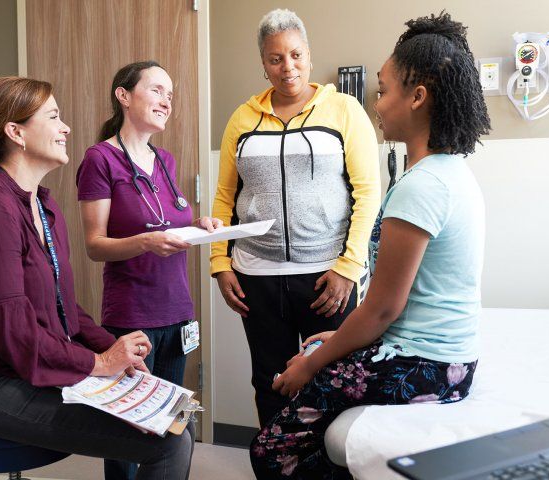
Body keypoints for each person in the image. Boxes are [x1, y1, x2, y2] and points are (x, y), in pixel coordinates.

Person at [250, 11, 491, 479]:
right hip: (444, 358)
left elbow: (382, 309)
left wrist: (315, 362)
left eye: (383, 91)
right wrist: (337, 341)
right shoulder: (451, 173)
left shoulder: (422, 188)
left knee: (269, 450)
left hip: (426, 365)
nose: (377, 105)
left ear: (417, 97)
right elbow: (397, 309)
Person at [0, 76, 193, 480]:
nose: (66, 128)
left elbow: (62, 306)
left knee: (177, 418)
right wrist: (98, 361)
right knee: (169, 441)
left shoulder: (41, 205)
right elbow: (13, 333)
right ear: (16, 132)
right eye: (54, 117)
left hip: (29, 367)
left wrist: (111, 349)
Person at [210, 9, 382, 427]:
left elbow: (368, 192)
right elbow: (225, 197)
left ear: (308, 54)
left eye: (296, 55)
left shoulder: (343, 110)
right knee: (270, 382)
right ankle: (275, 467)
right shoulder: (242, 118)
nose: (288, 67)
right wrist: (219, 262)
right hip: (256, 276)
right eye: (275, 58)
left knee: (333, 381)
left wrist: (349, 266)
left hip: (327, 276)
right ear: (263, 64)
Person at [76, 61, 220, 480]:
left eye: (170, 95)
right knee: (126, 424)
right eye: (157, 90)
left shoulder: (166, 161)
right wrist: (145, 242)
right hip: (132, 315)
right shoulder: (99, 159)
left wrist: (198, 226)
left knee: (168, 423)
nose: (166, 101)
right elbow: (94, 245)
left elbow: (165, 223)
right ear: (124, 95)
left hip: (177, 311)